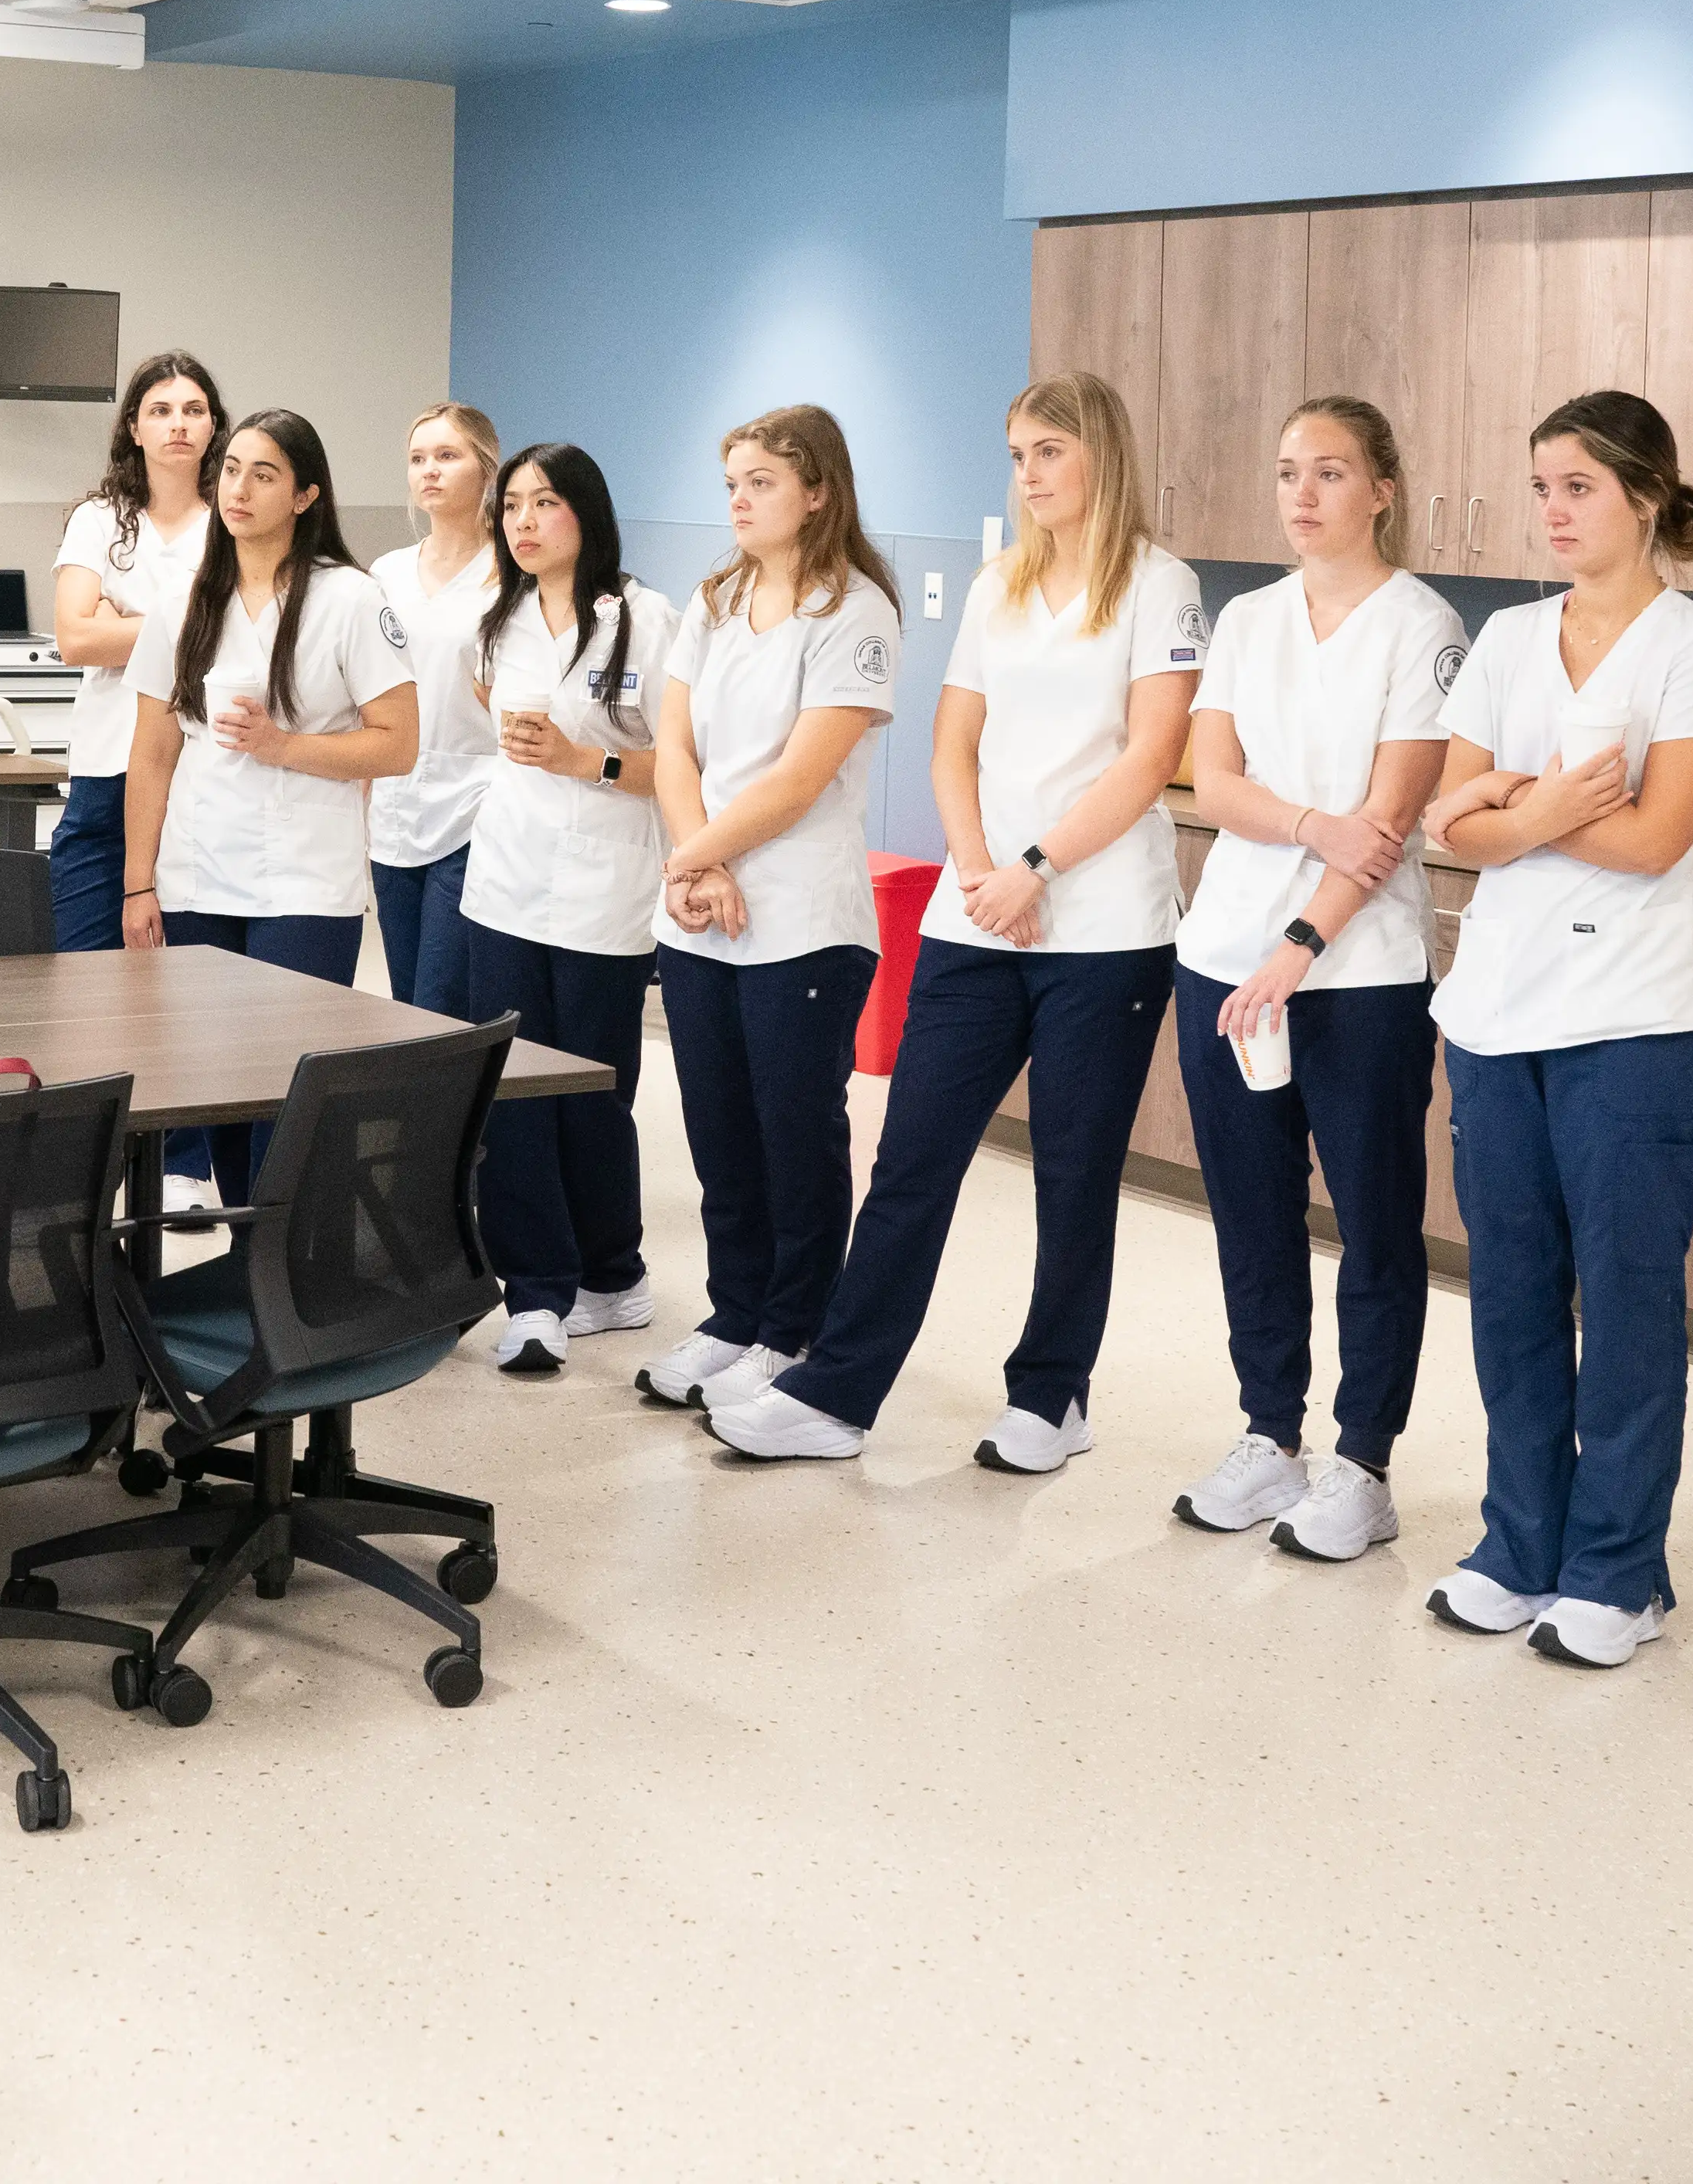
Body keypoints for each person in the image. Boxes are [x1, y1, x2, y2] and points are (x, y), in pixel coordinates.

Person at [713, 371, 1201, 1473]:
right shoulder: (999, 586)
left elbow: (1149, 756)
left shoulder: (1160, 587)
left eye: (1049, 453)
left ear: (1101, 458)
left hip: (1105, 928)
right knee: (914, 1158)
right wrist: (980, 867)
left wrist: (1038, 866)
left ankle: (1051, 1393)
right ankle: (837, 1392)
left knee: (1072, 1172)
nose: (1028, 475)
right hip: (976, 918)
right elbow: (952, 742)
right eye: (1017, 454)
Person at [1418, 390, 1693, 1670]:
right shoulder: (1507, 637)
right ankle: (1519, 1545)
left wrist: (1516, 809)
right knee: (1510, 1296)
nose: (1554, 510)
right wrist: (1544, 805)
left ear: (1645, 495)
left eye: (1581, 488)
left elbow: (1664, 841)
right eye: (1544, 485)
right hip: (1493, 1016)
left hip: (1633, 1023)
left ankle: (1616, 1571)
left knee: (1630, 1300)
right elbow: (1447, 821)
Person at [1168, 398, 1461, 1562]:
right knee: (1252, 1214)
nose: (1303, 494)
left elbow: (1387, 824)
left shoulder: (1425, 629)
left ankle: (1364, 1464)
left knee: (1378, 1226)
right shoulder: (1246, 618)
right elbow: (1213, 783)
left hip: (1357, 980)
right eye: (1289, 470)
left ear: (1382, 488)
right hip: (1220, 964)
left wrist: (1295, 949)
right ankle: (1269, 1437)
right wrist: (1307, 824)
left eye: (1330, 472)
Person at [641, 405, 900, 1415]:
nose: (741, 502)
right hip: (704, 910)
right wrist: (694, 865)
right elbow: (673, 748)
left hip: (799, 919)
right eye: (733, 485)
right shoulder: (715, 598)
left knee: (792, 1134)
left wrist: (696, 856)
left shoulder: (857, 612)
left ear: (819, 492)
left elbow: (798, 780)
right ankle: (732, 1314)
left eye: (762, 483)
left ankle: (791, 1328)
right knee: (718, 1134)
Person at [123, 409, 417, 1199]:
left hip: (303, 880)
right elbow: (152, 749)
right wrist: (138, 881)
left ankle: (282, 1277)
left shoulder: (350, 598)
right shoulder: (184, 595)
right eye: (231, 470)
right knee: (212, 1082)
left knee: (286, 1085)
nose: (239, 488)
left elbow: (397, 743)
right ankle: (242, 1263)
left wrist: (285, 744)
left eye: (264, 474)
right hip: (195, 872)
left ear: (304, 495)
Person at [457, 443, 675, 1376]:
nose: (524, 521)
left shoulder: (648, 619)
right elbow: (489, 717)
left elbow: (685, 772)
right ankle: (535, 1294)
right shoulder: (496, 621)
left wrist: (587, 759)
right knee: (509, 1095)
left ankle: (612, 1274)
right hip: (505, 885)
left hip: (602, 895)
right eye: (511, 505)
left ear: (586, 512)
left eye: (545, 502)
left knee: (591, 1098)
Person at [49, 352, 221, 952]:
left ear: (213, 427)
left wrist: (120, 624)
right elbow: (75, 638)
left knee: (175, 977)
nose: (178, 424)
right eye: (161, 410)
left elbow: (236, 639)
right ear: (134, 428)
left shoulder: (232, 524)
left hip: (199, 768)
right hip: (105, 769)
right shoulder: (99, 520)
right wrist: (190, 625)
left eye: (194, 411)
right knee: (83, 968)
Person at [368, 401, 501, 1017]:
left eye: (448, 456)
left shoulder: (511, 575)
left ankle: (461, 1117)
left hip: (476, 808)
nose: (430, 471)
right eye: (419, 458)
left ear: (487, 469)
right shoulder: (387, 573)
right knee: (404, 1005)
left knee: (441, 1002)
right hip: (394, 812)